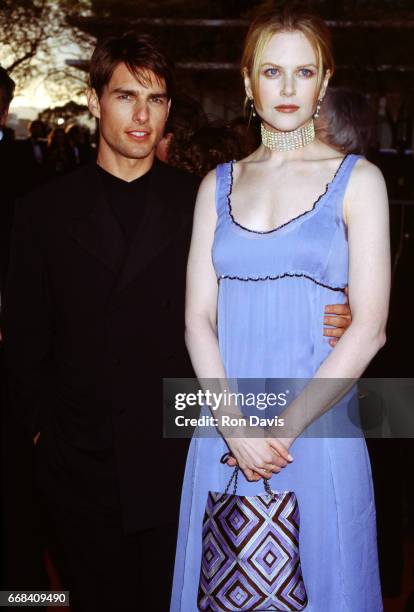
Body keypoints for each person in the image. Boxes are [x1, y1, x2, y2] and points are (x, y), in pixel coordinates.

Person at [171, 6, 389, 611]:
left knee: (325, 587)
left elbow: (369, 328)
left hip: (316, 429)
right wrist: (236, 428)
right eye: (272, 71)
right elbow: (197, 320)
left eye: (304, 71)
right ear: (247, 82)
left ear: (324, 81)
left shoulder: (359, 180)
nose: (288, 88)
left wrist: (280, 431)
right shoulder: (214, 185)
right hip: (226, 425)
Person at [3, 33, 199, 612]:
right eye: (125, 96)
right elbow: (25, 335)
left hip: (176, 447)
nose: (142, 115)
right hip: (81, 459)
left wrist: (328, 315)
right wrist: (45, 433)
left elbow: (247, 302)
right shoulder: (42, 211)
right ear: (93, 100)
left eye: (156, 99)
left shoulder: (202, 202)